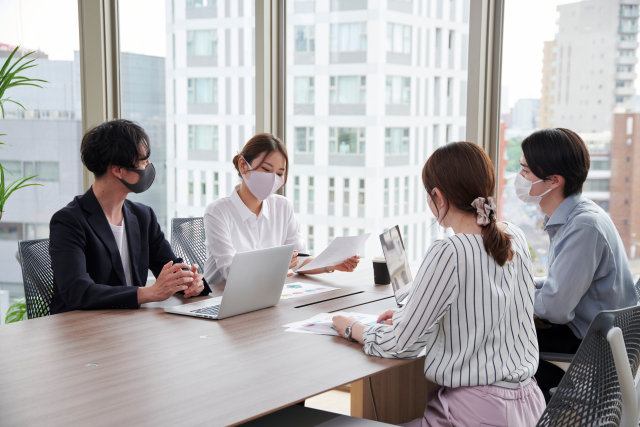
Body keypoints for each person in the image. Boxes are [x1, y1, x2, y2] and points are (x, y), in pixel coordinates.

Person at [333, 141, 545, 427]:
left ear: (438, 197)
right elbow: (491, 309)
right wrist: (415, 315)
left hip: (476, 412)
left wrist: (352, 327)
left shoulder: (450, 251)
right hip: (529, 406)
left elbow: (401, 345)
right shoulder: (514, 235)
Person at [516, 128, 638, 402]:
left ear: (553, 181)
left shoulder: (583, 226)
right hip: (594, 338)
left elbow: (555, 308)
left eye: (525, 171)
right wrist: (529, 285)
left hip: (591, 353)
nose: (519, 178)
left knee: (499, 344)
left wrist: (511, 294)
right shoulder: (578, 216)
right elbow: (563, 284)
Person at [49, 119, 211, 314]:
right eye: (142, 161)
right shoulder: (69, 221)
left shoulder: (143, 216)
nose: (148, 166)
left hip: (129, 325)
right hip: (80, 330)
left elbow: (169, 269)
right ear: (117, 169)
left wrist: (191, 282)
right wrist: (149, 293)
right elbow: (78, 292)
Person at [203, 133, 360, 285]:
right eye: (266, 169)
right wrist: (277, 263)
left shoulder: (282, 206)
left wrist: (333, 264)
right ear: (243, 166)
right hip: (221, 298)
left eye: (279, 173)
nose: (273, 179)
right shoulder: (217, 212)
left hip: (267, 294)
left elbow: (298, 260)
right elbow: (231, 272)